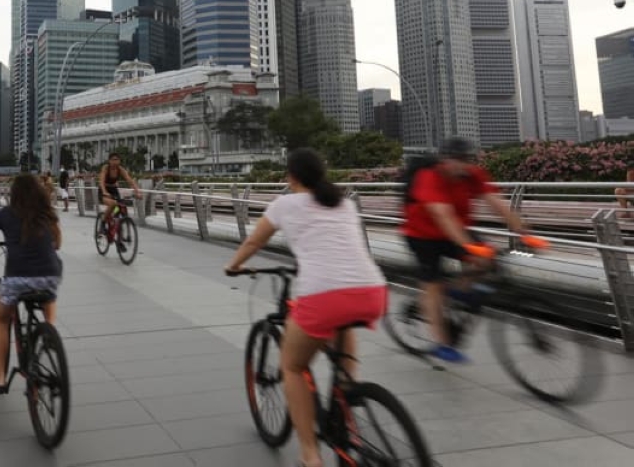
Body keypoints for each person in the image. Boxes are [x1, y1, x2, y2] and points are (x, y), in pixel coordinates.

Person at [225, 148, 387, 467]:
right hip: (372, 290)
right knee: (341, 331)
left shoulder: (285, 203)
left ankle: (310, 455)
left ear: (292, 176)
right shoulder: (343, 201)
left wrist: (233, 266)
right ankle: (346, 403)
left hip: (324, 295)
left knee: (292, 366)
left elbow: (254, 242)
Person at [402, 136, 530, 363]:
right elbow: (443, 216)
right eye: (456, 160)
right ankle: (442, 344)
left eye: (466, 160)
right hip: (422, 235)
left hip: (456, 229)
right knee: (432, 285)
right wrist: (470, 248)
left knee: (488, 263)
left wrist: (523, 231)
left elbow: (496, 202)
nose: (461, 165)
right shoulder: (428, 176)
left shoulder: (472, 175)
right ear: (443, 160)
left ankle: (457, 290)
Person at [0, 173, 63, 394]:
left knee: (1, 320)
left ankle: (0, 379)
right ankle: (50, 330)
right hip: (49, 275)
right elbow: (58, 244)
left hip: (17, 278)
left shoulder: (5, 214)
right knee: (48, 290)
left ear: (14, 193)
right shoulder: (47, 213)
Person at [98, 152, 142, 223]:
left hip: (113, 190)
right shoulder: (106, 168)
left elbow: (130, 181)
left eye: (117, 160)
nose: (115, 162)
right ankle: (103, 220)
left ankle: (114, 217)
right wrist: (104, 192)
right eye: (113, 160)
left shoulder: (120, 169)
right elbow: (101, 182)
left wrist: (137, 192)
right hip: (104, 189)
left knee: (121, 206)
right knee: (112, 203)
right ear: (109, 161)